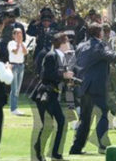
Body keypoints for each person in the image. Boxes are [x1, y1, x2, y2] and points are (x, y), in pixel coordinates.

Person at [68, 23, 116, 154]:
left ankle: (76, 148)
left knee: (85, 118)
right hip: (97, 86)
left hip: (83, 86)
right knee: (103, 115)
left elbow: (73, 63)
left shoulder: (81, 46)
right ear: (99, 33)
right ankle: (103, 146)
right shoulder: (100, 45)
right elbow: (113, 55)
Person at [33, 33, 74, 161]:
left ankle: (55, 152)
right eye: (67, 41)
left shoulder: (60, 56)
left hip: (53, 95)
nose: (68, 44)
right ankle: (39, 151)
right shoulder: (51, 56)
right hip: (45, 94)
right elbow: (46, 75)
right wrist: (64, 75)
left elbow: (59, 75)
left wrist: (70, 80)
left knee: (61, 122)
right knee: (48, 125)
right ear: (61, 43)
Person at [6, 26, 27, 115]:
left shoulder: (24, 44)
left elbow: (25, 53)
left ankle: (14, 107)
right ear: (13, 35)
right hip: (13, 66)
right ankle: (13, 108)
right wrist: (18, 44)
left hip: (21, 66)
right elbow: (14, 51)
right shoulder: (11, 43)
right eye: (17, 33)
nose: (19, 35)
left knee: (17, 88)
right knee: (14, 88)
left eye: (21, 33)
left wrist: (21, 43)